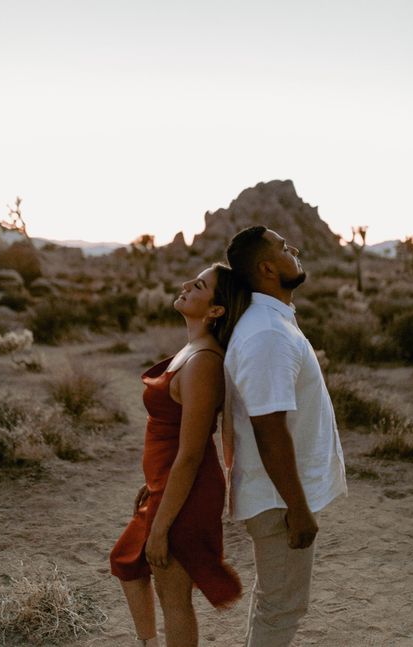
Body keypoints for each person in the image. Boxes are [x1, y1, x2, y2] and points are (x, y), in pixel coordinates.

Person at [110, 263, 250, 647]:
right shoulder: (191, 350)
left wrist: (160, 527)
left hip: (187, 492)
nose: (186, 285)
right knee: (127, 562)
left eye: (199, 285)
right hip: (167, 484)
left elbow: (190, 453)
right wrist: (152, 482)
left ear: (216, 310)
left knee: (173, 597)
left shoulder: (204, 362)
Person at [224, 226, 347, 647]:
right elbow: (268, 427)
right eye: (282, 247)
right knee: (281, 610)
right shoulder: (268, 334)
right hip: (279, 500)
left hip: (279, 495)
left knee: (274, 603)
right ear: (266, 268)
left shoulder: (272, 324)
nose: (293, 249)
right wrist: (298, 506)